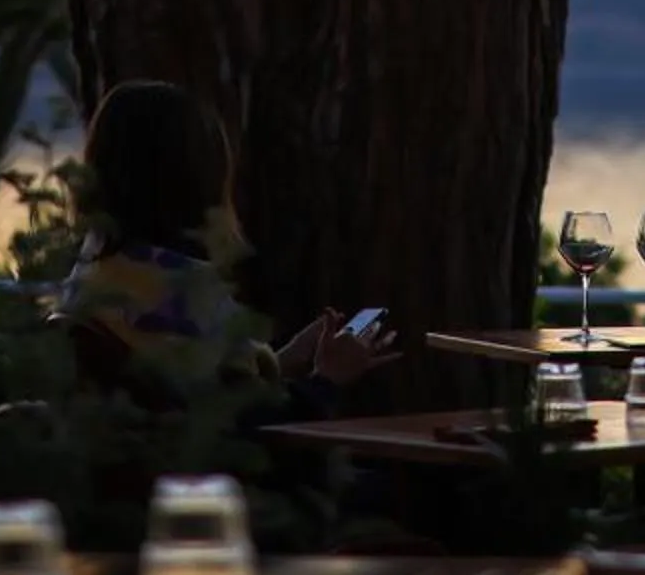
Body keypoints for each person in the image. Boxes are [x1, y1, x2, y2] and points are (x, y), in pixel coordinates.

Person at [57, 79, 395, 406]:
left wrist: (288, 359)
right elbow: (244, 432)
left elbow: (197, 395)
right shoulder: (177, 293)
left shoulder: (99, 272)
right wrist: (328, 380)